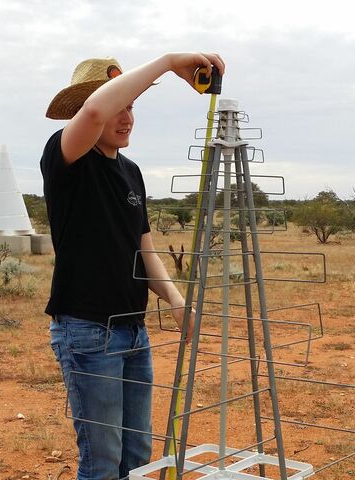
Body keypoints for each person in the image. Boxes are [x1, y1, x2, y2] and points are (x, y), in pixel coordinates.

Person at [41, 52, 225, 480]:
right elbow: (93, 111)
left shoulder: (131, 172)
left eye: (132, 107)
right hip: (88, 331)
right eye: (118, 107)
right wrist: (168, 62)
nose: (126, 118)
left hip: (133, 331)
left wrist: (176, 300)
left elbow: (145, 250)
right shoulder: (65, 157)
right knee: (102, 460)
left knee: (138, 455)